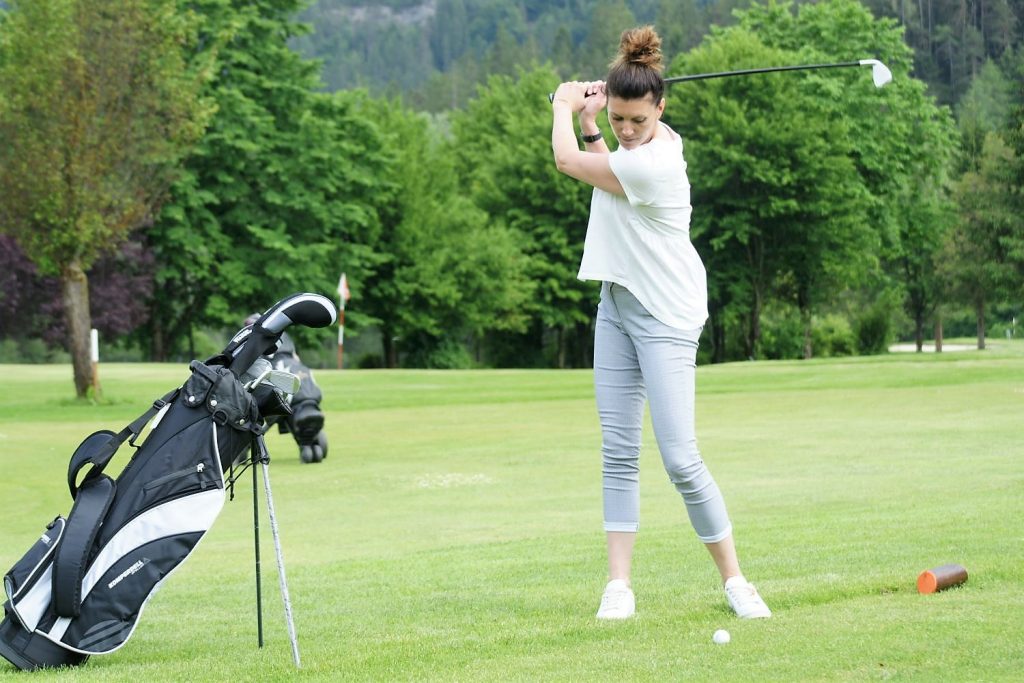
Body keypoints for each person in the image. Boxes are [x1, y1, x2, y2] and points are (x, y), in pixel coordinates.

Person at [549, 26, 771, 620]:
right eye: (618, 119)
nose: (625, 130)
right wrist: (595, 122)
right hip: (617, 306)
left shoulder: (658, 163)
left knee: (679, 458)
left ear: (660, 110)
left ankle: (735, 582)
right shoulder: (631, 150)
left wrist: (564, 106)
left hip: (666, 314)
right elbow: (604, 164)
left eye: (635, 121)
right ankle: (618, 586)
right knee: (619, 452)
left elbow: (567, 160)